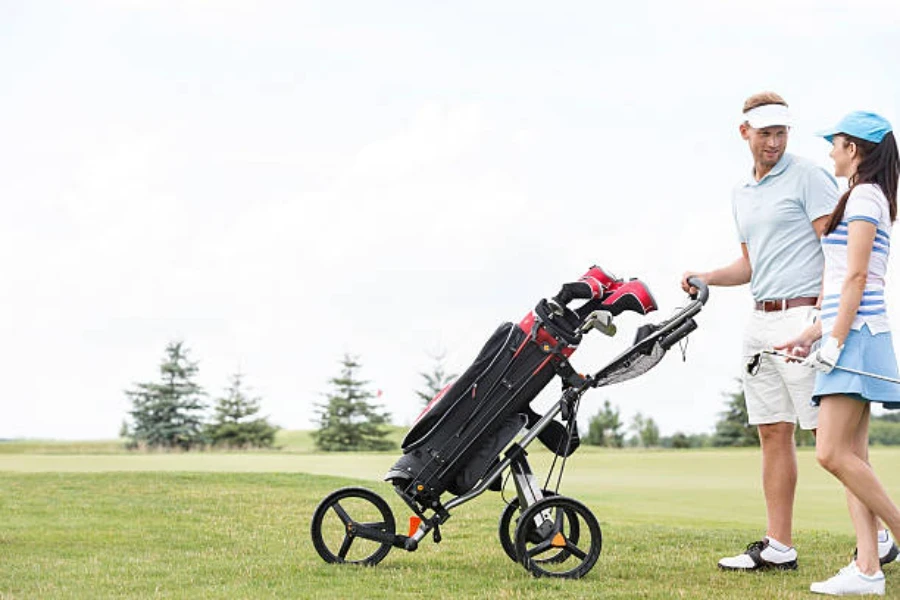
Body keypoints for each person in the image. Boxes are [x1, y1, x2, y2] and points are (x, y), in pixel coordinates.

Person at [681, 91, 873, 572]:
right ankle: (779, 546)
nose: (774, 141)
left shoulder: (809, 177)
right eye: (765, 132)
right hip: (760, 320)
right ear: (744, 132)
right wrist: (705, 276)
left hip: (804, 318)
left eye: (781, 132)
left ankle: (877, 543)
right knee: (772, 432)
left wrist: (822, 322)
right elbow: (750, 264)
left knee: (836, 444)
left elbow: (837, 251)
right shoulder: (741, 194)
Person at [775, 111, 900, 595]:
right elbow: (851, 284)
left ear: (856, 149)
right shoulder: (867, 195)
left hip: (858, 338)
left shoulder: (865, 196)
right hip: (853, 333)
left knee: (830, 452)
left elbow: (856, 279)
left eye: (836, 144)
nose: (830, 152)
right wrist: (814, 332)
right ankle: (868, 569)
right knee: (854, 457)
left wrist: (835, 343)